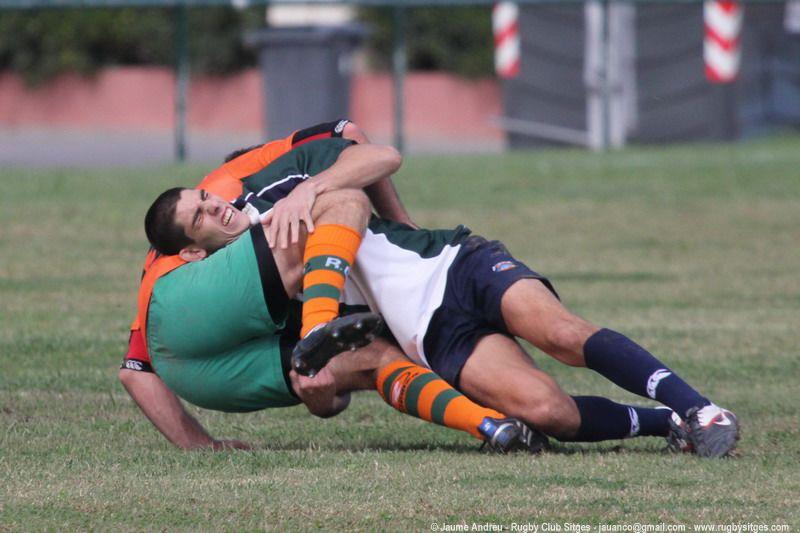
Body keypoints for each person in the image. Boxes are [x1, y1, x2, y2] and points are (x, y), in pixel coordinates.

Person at [146, 137, 740, 458]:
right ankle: (668, 425)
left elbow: (381, 156)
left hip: (454, 264)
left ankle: (703, 408)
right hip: (426, 334)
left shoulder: (274, 183)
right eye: (199, 216)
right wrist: (320, 393)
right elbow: (331, 400)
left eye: (205, 194)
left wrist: (312, 188)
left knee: (561, 335)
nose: (213, 204)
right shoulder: (251, 289)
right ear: (195, 253)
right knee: (547, 412)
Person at [122, 120, 542, 452]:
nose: (211, 205)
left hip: (201, 374)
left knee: (370, 358)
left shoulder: (215, 231)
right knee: (342, 201)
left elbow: (136, 370)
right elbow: (349, 135)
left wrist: (201, 447)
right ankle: (315, 330)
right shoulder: (247, 179)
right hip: (185, 316)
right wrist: (403, 227)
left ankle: (491, 427)